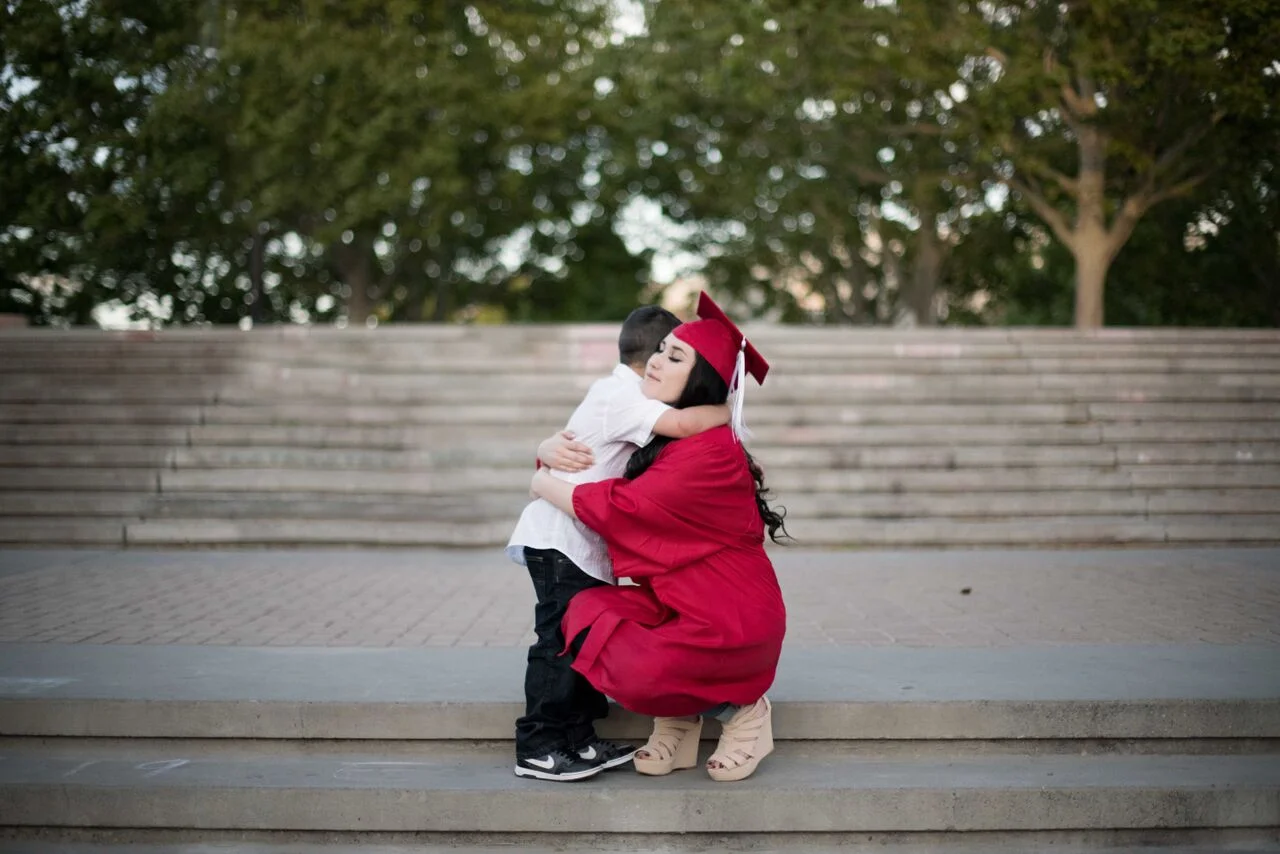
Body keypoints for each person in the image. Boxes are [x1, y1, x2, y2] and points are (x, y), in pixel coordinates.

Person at [530, 291, 788, 783]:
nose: (655, 362)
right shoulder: (663, 433)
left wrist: (542, 482)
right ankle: (680, 716)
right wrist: (544, 450)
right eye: (660, 349)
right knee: (588, 616)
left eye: (674, 356)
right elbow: (588, 453)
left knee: (636, 665)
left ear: (700, 380)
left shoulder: (710, 452)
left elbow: (626, 507)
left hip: (726, 618)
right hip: (677, 605)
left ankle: (743, 711)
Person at [508, 305, 732, 782]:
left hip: (578, 540)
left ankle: (578, 740)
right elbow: (686, 425)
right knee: (558, 642)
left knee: (579, 638)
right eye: (672, 353)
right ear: (654, 358)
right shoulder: (626, 396)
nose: (670, 362)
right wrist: (727, 406)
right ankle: (540, 745)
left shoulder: (618, 393)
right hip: (560, 540)